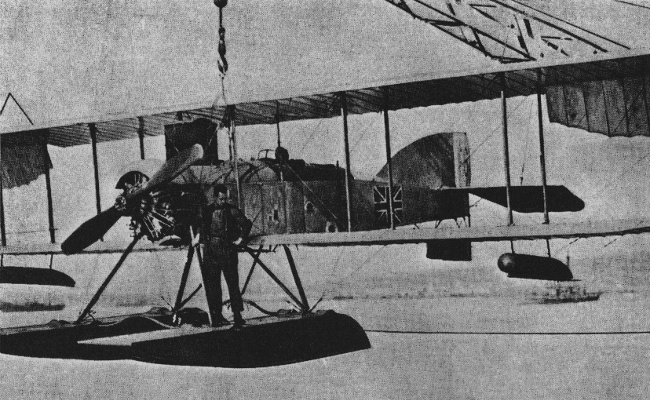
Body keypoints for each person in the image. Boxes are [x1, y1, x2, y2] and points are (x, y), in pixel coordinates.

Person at [199, 184, 252, 328]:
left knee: (233, 285)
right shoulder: (207, 211)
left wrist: (241, 239)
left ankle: (237, 316)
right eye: (221, 199)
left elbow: (247, 224)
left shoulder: (232, 210)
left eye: (225, 198)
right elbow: (201, 227)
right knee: (213, 286)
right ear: (215, 197)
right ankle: (216, 316)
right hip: (211, 253)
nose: (223, 201)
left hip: (228, 251)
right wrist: (201, 240)